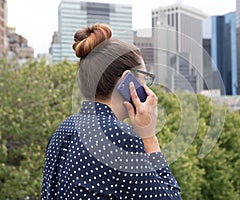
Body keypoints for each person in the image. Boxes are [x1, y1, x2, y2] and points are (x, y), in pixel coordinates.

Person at [41, 23, 182, 199]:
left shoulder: (63, 130)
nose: (147, 87)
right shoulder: (119, 138)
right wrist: (149, 138)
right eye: (145, 78)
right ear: (127, 81)